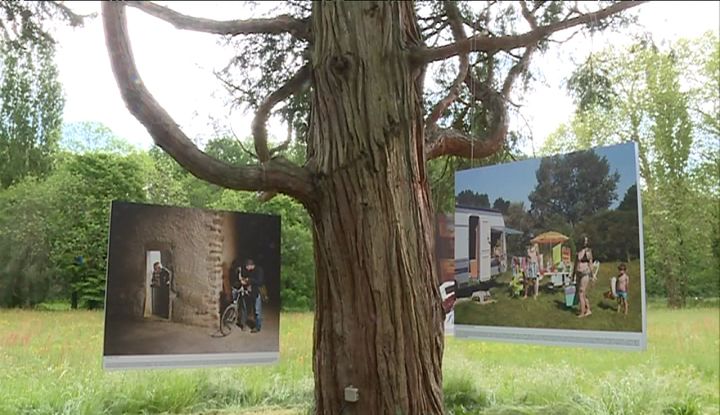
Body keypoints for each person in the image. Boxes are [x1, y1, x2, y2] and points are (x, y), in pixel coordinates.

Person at [241, 259, 265, 333]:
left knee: (257, 310)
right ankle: (244, 323)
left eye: (247, 266)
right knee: (247, 308)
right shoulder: (248, 271)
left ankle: (257, 327)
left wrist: (249, 280)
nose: (246, 268)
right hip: (249, 292)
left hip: (256, 292)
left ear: (251, 266)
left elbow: (260, 281)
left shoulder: (259, 270)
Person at [574, 236, 595, 318]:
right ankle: (588, 310)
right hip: (578, 273)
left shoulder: (588, 252)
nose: (585, 242)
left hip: (585, 273)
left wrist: (592, 275)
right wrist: (573, 275)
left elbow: (590, 263)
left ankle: (582, 312)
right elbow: (575, 264)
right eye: (584, 241)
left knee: (581, 292)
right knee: (582, 293)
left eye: (586, 241)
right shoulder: (578, 252)